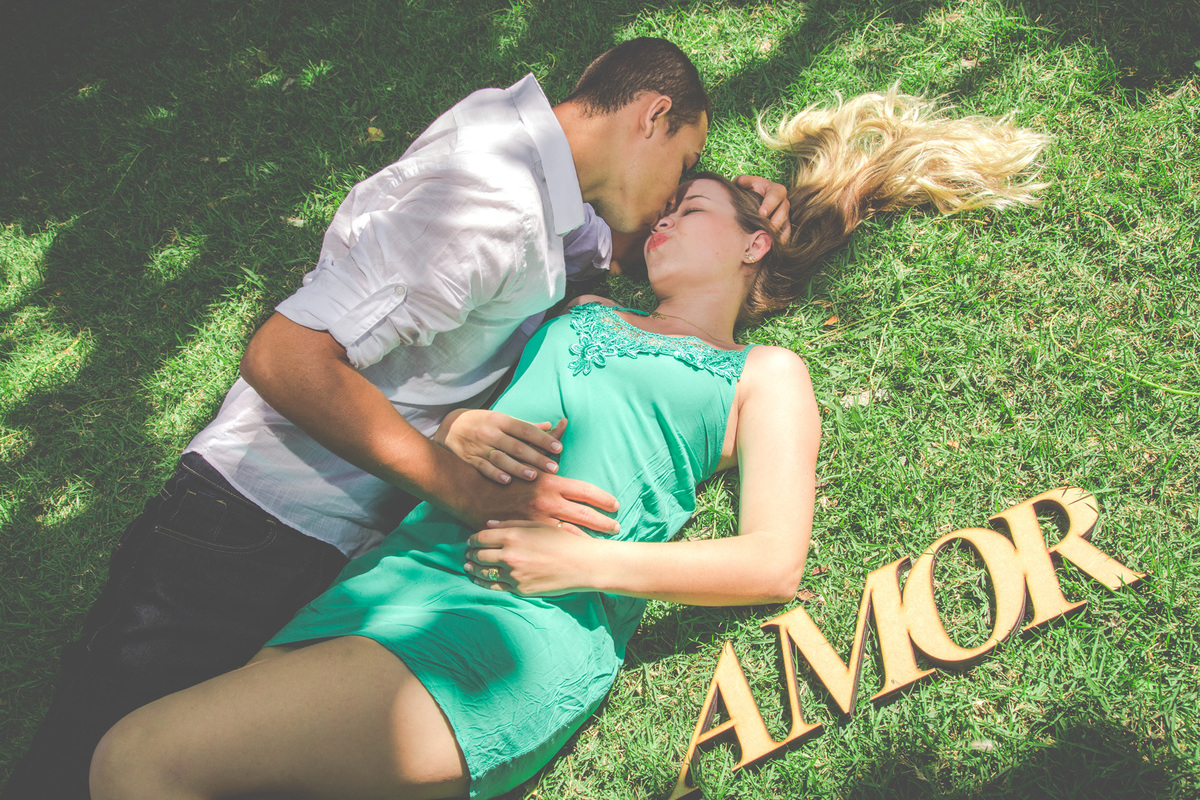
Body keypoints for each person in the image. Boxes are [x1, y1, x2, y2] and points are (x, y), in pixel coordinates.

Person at [89, 88, 1050, 800]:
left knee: (140, 761)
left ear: (755, 245)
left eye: (692, 211)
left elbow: (772, 561)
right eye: (668, 208)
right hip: (389, 580)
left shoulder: (766, 374)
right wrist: (456, 426)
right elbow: (450, 392)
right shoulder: (579, 305)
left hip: (513, 625)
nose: (664, 220)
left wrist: (584, 562)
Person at [3, 37, 794, 800]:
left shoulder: (541, 183)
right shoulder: (491, 198)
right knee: (94, 769)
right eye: (683, 170)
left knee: (157, 763)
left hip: (384, 564)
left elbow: (620, 250)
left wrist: (764, 216)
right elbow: (287, 357)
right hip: (260, 524)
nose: (664, 210)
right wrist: (458, 468)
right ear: (652, 117)